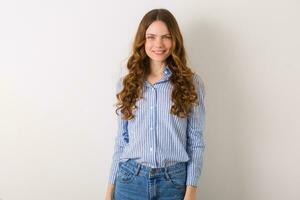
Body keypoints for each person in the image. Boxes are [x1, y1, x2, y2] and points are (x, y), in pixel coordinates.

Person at [105, 8, 206, 200]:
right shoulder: (127, 83)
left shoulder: (191, 83)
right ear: (142, 41)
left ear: (175, 40)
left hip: (173, 183)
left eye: (166, 37)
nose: (158, 44)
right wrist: (109, 191)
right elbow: (121, 141)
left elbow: (196, 142)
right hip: (129, 181)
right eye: (151, 37)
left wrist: (191, 192)